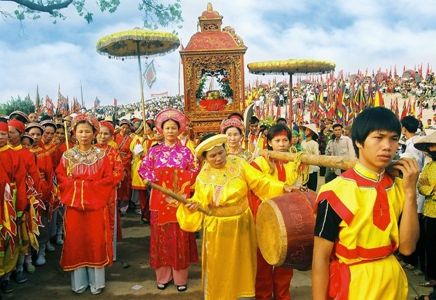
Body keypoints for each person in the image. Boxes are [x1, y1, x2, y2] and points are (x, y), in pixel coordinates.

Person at [312, 107, 420, 300]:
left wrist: (410, 193)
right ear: (359, 142)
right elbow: (320, 257)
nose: (387, 146)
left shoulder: (399, 187)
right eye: (378, 138)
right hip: (354, 284)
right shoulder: (335, 191)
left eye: (394, 139)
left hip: (392, 280)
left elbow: (407, 248)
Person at [176, 133, 300, 300]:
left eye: (221, 152)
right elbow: (199, 201)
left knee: (244, 265)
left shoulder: (240, 164)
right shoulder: (203, 177)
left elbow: (261, 182)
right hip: (218, 229)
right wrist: (192, 207)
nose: (218, 158)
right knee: (220, 267)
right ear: (205, 158)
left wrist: (283, 188)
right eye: (212, 156)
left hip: (243, 224)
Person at [138, 109, 198, 292]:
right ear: (161, 130)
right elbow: (143, 169)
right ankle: (163, 276)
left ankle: (180, 278)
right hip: (158, 200)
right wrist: (152, 178)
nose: (171, 131)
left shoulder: (187, 152)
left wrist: (178, 178)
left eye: (174, 128)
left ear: (179, 130)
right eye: (167, 128)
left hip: (180, 198)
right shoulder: (154, 152)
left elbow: (195, 171)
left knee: (180, 236)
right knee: (161, 237)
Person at [56, 114, 115, 295]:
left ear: (94, 133)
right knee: (76, 241)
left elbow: (108, 179)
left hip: (96, 207)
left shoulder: (101, 155)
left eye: (87, 131)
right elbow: (61, 178)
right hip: (74, 208)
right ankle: (79, 283)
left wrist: (85, 186)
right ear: (74, 133)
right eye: (80, 131)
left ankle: (97, 283)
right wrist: (79, 186)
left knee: (95, 240)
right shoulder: (67, 155)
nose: (83, 135)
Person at [249, 124, 301, 300]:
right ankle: (263, 296)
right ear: (269, 142)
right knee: (263, 261)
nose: (281, 144)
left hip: (288, 220)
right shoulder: (258, 163)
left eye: (285, 140)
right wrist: (284, 188)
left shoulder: (295, 162)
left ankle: (283, 295)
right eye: (277, 140)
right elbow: (258, 185)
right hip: (264, 218)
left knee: (286, 260)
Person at [400, 115, 426, 273]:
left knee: (412, 225)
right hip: (418, 190)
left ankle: (412, 260)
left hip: (414, 189)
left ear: (404, 129)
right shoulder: (419, 143)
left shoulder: (411, 146)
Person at [96, 121, 123, 262]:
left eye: (106, 133)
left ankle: (110, 253)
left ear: (111, 136)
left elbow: (119, 171)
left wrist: (108, 182)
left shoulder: (113, 152)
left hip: (109, 191)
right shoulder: (89, 151)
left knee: (109, 219)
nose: (102, 136)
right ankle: (97, 252)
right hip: (92, 192)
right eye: (100, 133)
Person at [415, 132, 436, 300]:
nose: (432, 148)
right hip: (429, 212)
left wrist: (430, 190)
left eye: (434, 145)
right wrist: (431, 190)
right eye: (431, 146)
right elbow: (421, 186)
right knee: (430, 246)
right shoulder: (428, 166)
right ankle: (432, 278)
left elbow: (426, 188)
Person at [301, 123, 320, 191]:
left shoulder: (314, 143)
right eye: (305, 130)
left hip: (312, 168)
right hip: (303, 169)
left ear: (312, 133)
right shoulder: (303, 142)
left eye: (308, 130)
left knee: (312, 188)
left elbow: (316, 155)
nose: (305, 131)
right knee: (302, 187)